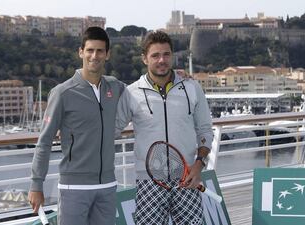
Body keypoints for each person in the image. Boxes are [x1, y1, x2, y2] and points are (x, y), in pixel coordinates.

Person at [29, 26, 125, 225]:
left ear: (107, 55)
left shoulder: (115, 87)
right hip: (74, 188)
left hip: (107, 186)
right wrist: (36, 185)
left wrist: (175, 77)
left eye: (100, 51)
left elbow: (143, 91)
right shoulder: (63, 92)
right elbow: (44, 141)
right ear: (81, 52)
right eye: (90, 50)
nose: (94, 56)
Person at [116, 30, 213, 225]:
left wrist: (199, 164)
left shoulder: (192, 88)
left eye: (166, 54)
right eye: (155, 55)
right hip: (149, 182)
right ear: (145, 58)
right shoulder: (131, 93)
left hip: (187, 179)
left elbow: (204, 130)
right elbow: (111, 128)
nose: (162, 60)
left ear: (173, 55)